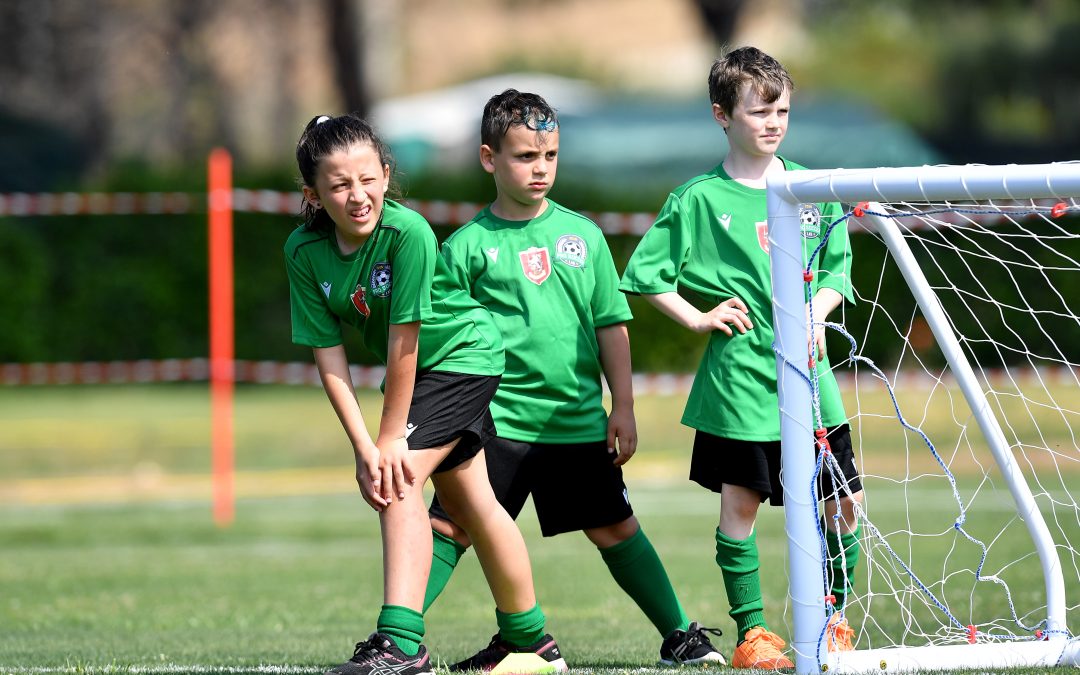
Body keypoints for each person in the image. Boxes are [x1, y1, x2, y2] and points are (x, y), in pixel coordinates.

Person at [421, 89, 726, 670]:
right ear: (489, 159)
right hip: (496, 425)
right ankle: (403, 644)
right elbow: (449, 346)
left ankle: (680, 637)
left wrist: (624, 407)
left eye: (550, 156)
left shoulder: (582, 236)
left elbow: (612, 325)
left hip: (575, 421)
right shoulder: (464, 248)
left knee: (615, 529)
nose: (541, 169)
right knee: (449, 530)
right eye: (524, 157)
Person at [285, 113, 566, 675]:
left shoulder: (407, 233)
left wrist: (388, 443)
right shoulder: (303, 251)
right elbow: (328, 356)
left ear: (386, 176)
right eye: (339, 185)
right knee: (472, 504)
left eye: (368, 179)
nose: (357, 196)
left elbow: (404, 344)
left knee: (397, 480)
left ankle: (401, 644)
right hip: (417, 376)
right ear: (313, 194)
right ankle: (531, 642)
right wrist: (363, 443)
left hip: (463, 356)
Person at [618, 47, 864, 670]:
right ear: (722, 115)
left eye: (781, 110)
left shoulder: (813, 187)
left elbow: (837, 270)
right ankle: (752, 634)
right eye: (759, 111)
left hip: (812, 382)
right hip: (740, 382)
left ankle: (834, 617)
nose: (773, 122)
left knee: (844, 502)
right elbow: (646, 275)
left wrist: (817, 311)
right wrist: (700, 316)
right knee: (741, 507)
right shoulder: (698, 199)